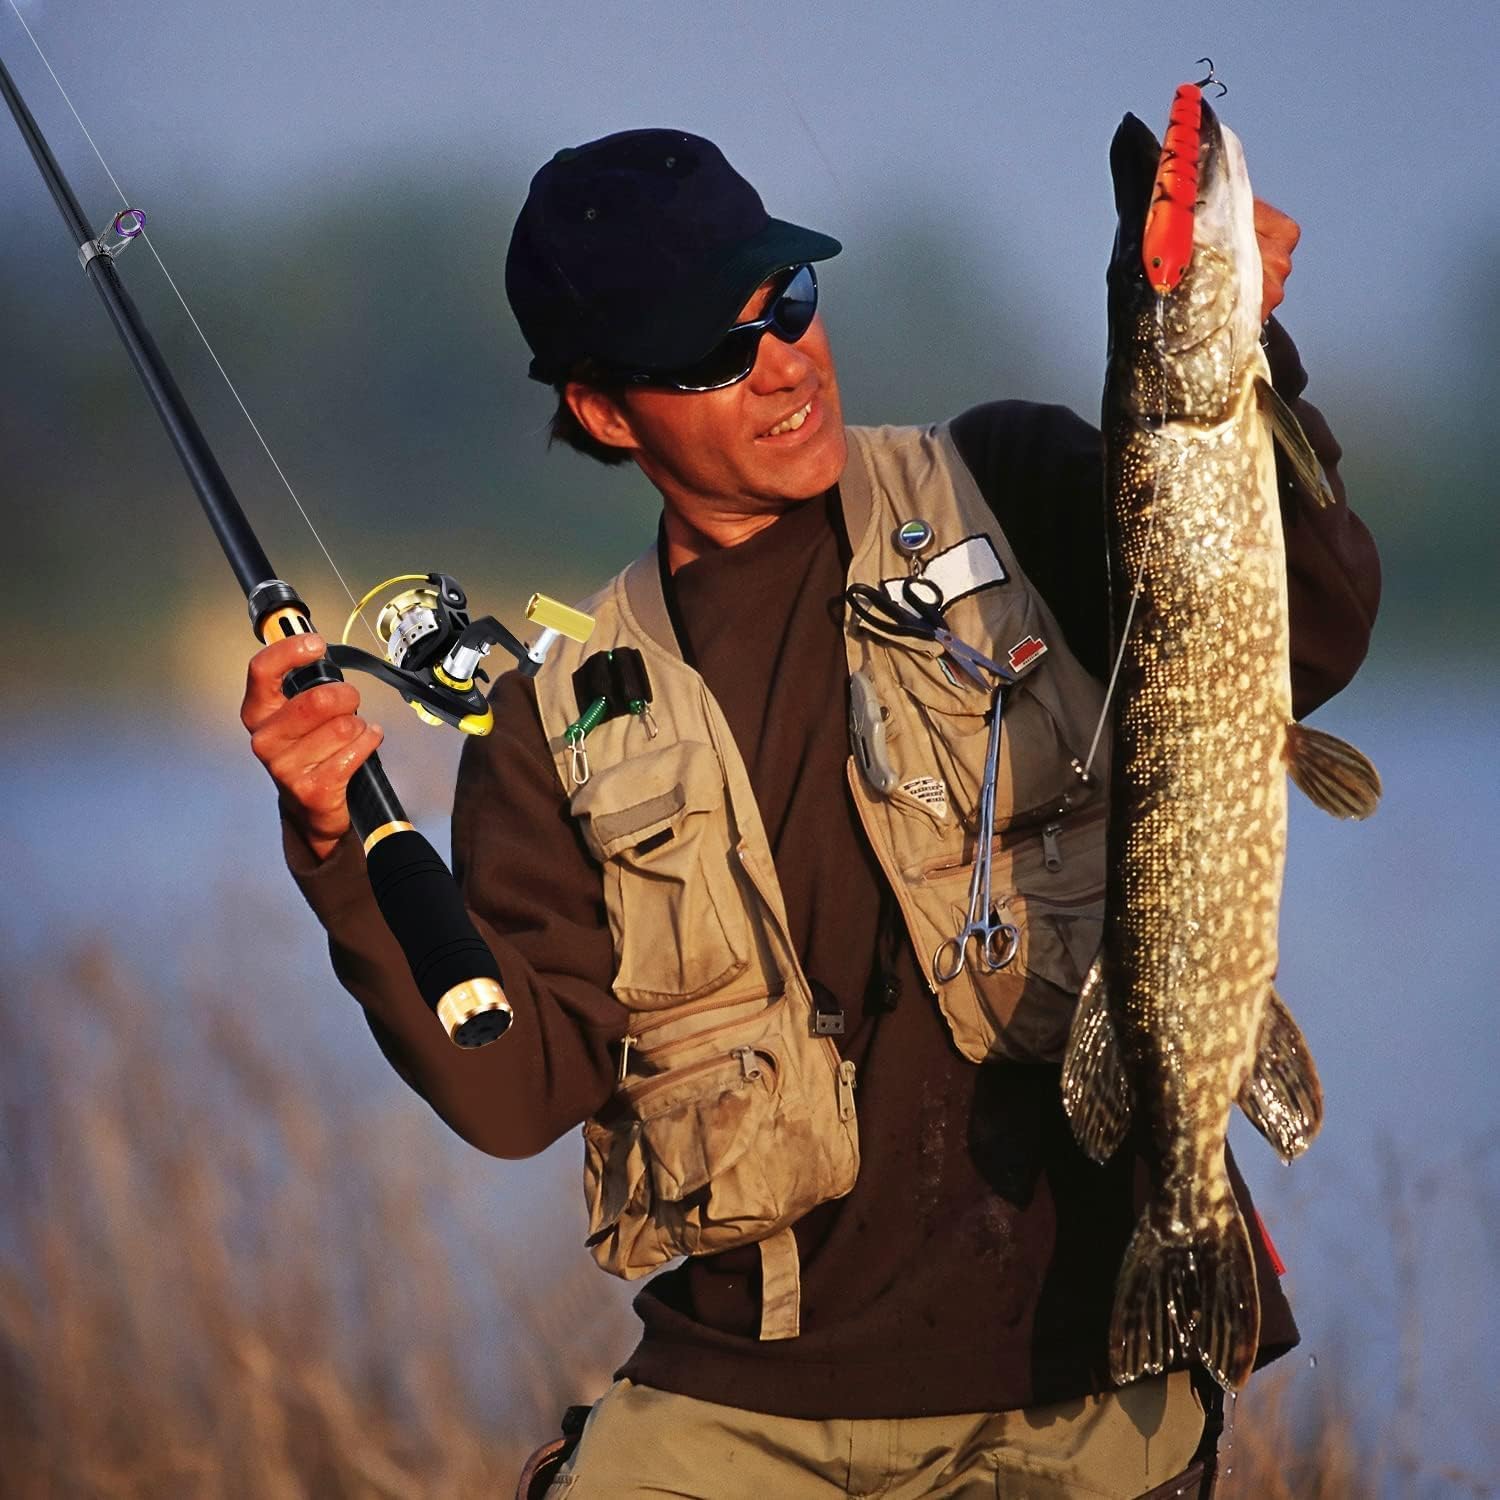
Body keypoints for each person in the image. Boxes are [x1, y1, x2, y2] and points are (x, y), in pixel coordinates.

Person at [241, 129, 1380, 1498]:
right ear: (605, 412)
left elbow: (1309, 632)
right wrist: (337, 848)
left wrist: (1241, 347)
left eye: (787, 302)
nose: (784, 362)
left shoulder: (1006, 484)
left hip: (1074, 1372)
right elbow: (514, 1086)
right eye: (714, 354)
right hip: (746, 1406)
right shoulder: (554, 719)